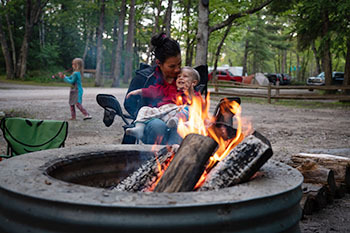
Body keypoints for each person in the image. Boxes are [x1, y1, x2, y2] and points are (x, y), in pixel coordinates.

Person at [123, 32, 182, 145]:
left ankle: (174, 159)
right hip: (151, 121)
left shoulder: (184, 77)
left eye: (179, 64)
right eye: (172, 66)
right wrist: (146, 116)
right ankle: (154, 160)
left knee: (179, 126)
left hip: (176, 117)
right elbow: (128, 103)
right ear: (158, 63)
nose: (177, 70)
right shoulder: (144, 78)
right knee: (157, 126)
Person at [125, 66, 200, 140]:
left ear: (194, 83)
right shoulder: (170, 88)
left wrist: (189, 92)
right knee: (144, 109)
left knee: (189, 109)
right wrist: (140, 91)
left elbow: (196, 106)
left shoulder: (194, 94)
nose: (180, 78)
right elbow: (154, 91)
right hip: (162, 112)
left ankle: (175, 121)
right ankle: (139, 128)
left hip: (177, 115)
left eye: (185, 76)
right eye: (178, 76)